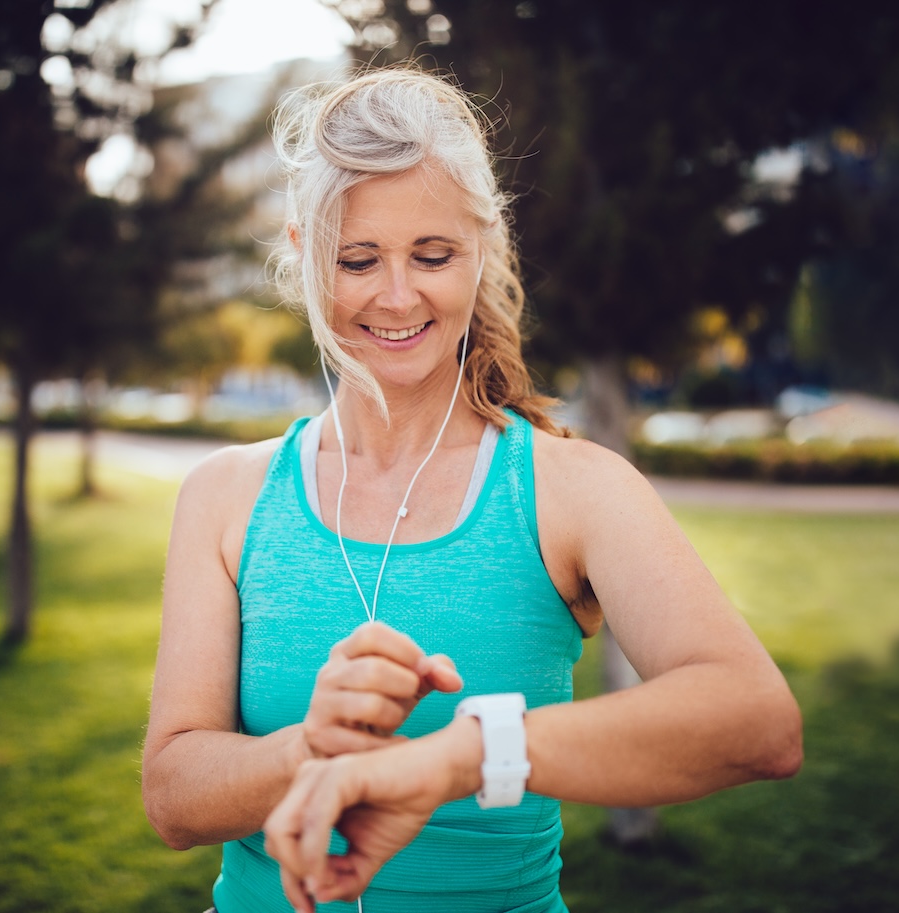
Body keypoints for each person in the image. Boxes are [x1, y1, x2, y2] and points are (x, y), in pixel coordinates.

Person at [142, 66, 803, 913]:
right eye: (357, 259)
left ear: (480, 247)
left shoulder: (574, 490)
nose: (396, 295)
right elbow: (172, 794)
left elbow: (758, 721)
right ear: (305, 253)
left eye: (433, 254)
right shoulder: (225, 494)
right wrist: (310, 748)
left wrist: (462, 754)